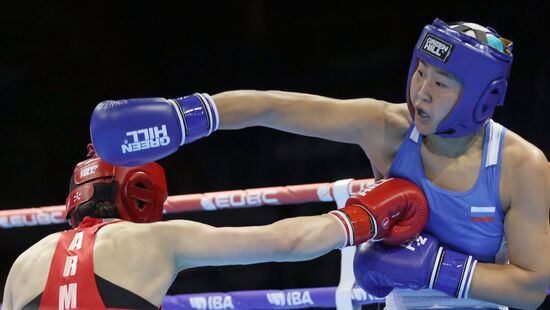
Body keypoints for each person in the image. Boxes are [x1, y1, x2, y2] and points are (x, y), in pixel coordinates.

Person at [88, 18, 550, 309]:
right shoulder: (389, 129)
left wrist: (435, 269)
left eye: (442, 83)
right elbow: (275, 107)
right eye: (420, 71)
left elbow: (532, 289)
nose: (421, 91)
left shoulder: (520, 166)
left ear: (481, 97)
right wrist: (191, 114)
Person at [1, 145, 428, 310]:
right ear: (142, 193)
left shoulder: (22, 264)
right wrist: (364, 216)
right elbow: (287, 241)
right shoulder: (158, 239)